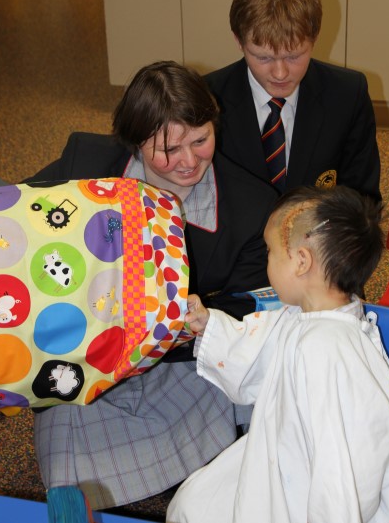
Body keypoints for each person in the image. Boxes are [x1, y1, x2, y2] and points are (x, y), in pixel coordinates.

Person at [25, 61, 278, 510]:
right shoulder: (84, 164)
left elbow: (252, 307)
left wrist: (204, 318)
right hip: (88, 356)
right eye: (168, 149)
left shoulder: (251, 205)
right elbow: (22, 224)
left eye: (200, 140)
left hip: (183, 364)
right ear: (137, 143)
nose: (187, 161)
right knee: (69, 469)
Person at [167, 185, 389, 523]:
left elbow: (340, 479)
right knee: (194, 503)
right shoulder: (308, 316)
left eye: (270, 252)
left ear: (301, 262)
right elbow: (255, 350)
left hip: (316, 491)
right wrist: (207, 321)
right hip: (284, 456)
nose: (266, 261)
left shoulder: (328, 352)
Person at [205, 0, 381, 201]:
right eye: (263, 57)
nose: (280, 73)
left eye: (294, 56)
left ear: (315, 38)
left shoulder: (348, 95)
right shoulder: (206, 96)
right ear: (239, 41)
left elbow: (363, 198)